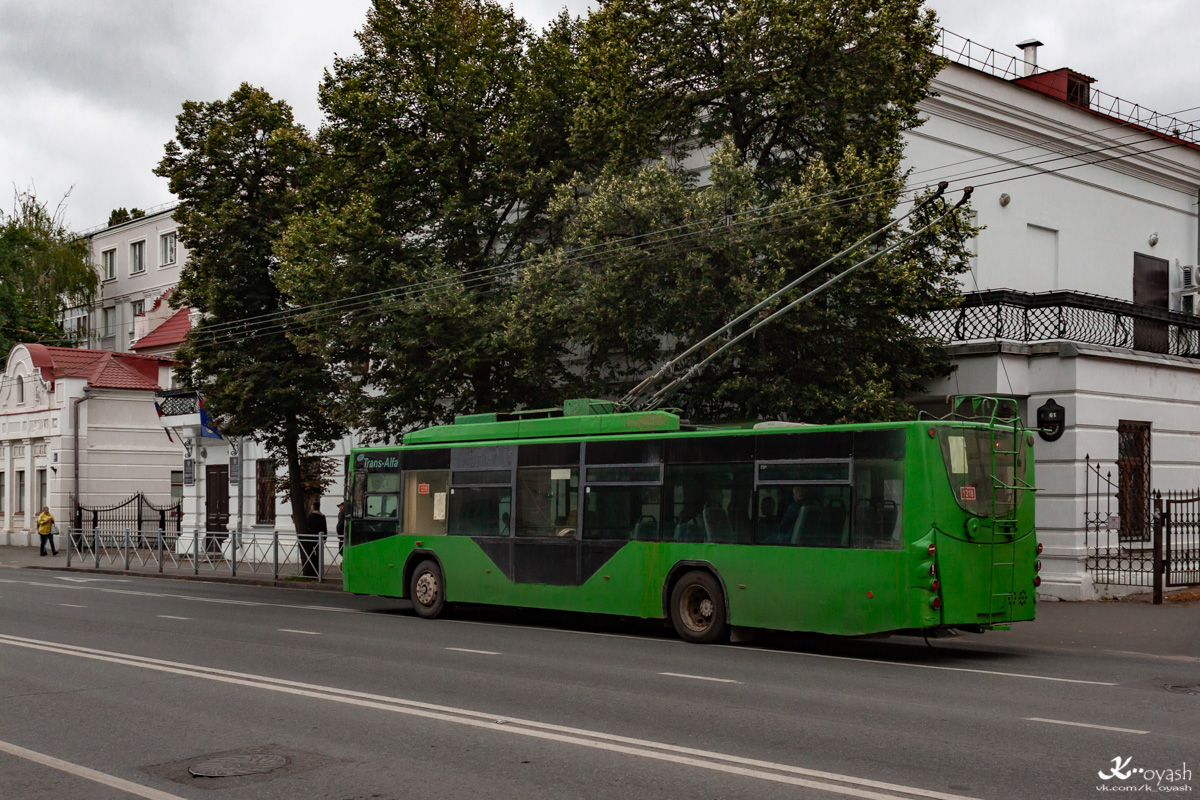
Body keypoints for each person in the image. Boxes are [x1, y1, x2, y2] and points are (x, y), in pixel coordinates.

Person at [302, 500, 327, 577]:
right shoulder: (322, 516)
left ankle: (314, 570)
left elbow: (308, 526)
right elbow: (324, 527)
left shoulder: (311, 516)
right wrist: (325, 537)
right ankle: (319, 571)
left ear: (313, 507)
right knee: (319, 554)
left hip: (312, 538)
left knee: (312, 554)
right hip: (320, 538)